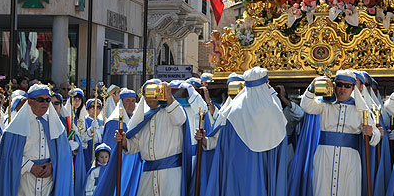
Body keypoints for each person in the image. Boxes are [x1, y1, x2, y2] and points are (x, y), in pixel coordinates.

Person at [199, 67, 288, 196]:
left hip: (234, 177)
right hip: (261, 176)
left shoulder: (231, 111)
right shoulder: (274, 112)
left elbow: (222, 147)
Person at [0, 83, 72, 196]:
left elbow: (64, 155)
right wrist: (30, 166)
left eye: (48, 100)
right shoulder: (15, 128)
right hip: (24, 179)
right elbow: (9, 155)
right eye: (40, 100)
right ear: (30, 101)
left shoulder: (56, 126)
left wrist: (52, 165)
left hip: (48, 181)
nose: (45, 103)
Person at [113, 81, 192, 196]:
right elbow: (135, 145)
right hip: (148, 175)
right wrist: (124, 141)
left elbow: (180, 119)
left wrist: (169, 97)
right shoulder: (142, 117)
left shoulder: (172, 111)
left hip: (170, 175)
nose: (149, 98)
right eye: (146, 94)